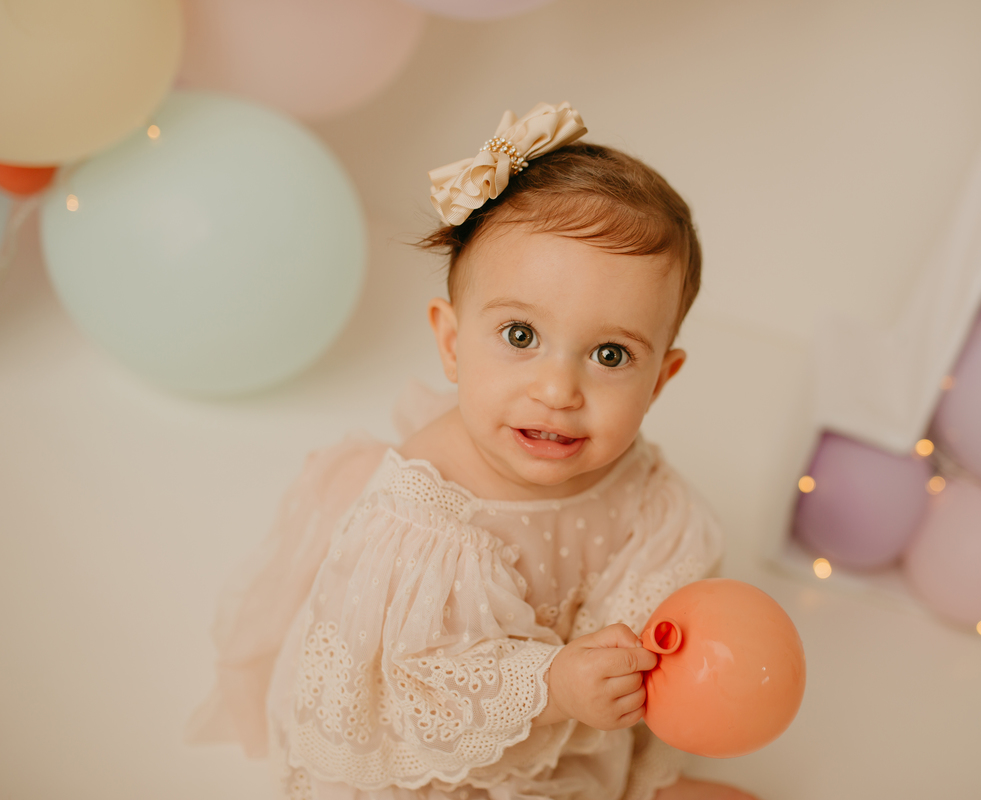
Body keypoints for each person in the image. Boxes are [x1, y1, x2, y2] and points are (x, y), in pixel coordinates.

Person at [188, 102, 757, 800]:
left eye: (610, 354)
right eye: (521, 336)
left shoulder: (641, 488)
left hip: (575, 725)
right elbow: (411, 687)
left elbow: (660, 581)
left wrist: (636, 660)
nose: (558, 390)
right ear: (453, 343)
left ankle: (625, 783)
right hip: (436, 756)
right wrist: (552, 684)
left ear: (660, 380)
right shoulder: (422, 521)